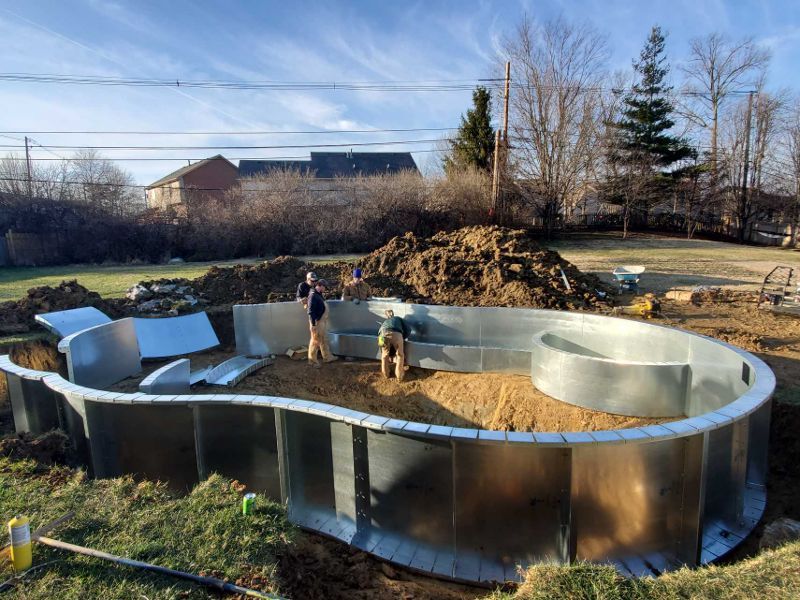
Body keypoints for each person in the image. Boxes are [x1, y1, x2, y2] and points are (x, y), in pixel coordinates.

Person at [307, 279, 338, 367]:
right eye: (324, 287)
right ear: (320, 286)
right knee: (315, 341)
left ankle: (327, 357)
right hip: (317, 322)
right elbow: (310, 311)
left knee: (324, 339)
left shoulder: (319, 295)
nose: (325, 289)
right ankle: (312, 361)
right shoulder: (313, 296)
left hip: (322, 321)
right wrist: (313, 324)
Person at [378, 309, 410, 381]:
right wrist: (403, 337)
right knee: (400, 355)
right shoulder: (398, 318)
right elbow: (408, 329)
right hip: (396, 333)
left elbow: (380, 341)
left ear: (387, 316)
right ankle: (399, 376)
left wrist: (384, 351)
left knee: (384, 355)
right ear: (393, 314)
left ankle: (386, 374)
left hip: (381, 335)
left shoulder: (384, 322)